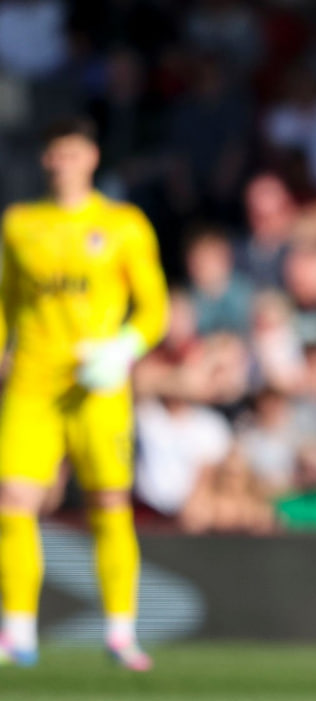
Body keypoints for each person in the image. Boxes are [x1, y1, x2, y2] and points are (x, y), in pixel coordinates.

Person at [0, 118, 169, 670]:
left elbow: (154, 308)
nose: (63, 164)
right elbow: (6, 302)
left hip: (98, 387)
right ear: (45, 159)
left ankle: (120, 632)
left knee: (110, 503)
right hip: (33, 383)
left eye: (72, 153)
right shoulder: (21, 223)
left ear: (91, 157)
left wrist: (121, 349)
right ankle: (17, 633)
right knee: (12, 501)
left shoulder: (122, 224)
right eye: (55, 154)